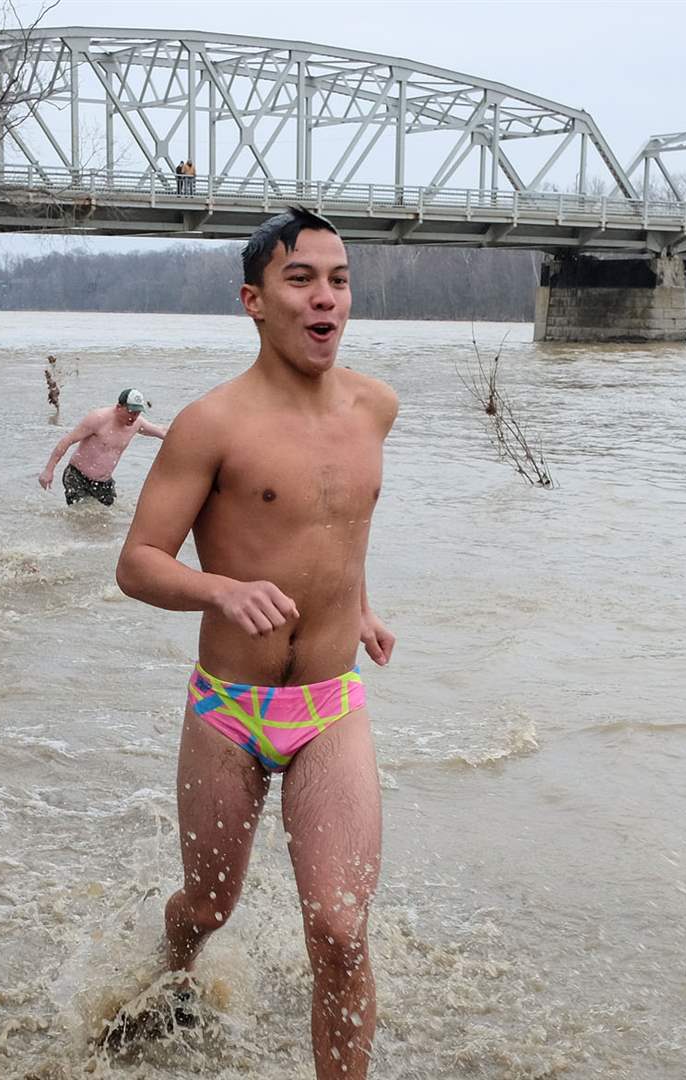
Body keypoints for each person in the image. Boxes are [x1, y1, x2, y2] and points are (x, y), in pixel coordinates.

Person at [115, 207, 397, 1079]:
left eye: (338, 280)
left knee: (340, 929)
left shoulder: (376, 408)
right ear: (255, 300)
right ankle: (170, 975)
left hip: (330, 706)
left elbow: (335, 526)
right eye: (300, 279)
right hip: (229, 709)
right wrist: (221, 588)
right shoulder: (212, 423)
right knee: (208, 906)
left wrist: (357, 606)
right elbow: (137, 563)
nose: (325, 298)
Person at [39, 388, 169, 506]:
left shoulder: (137, 423)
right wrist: (48, 470)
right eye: (131, 412)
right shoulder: (98, 418)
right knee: (81, 517)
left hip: (104, 482)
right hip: (77, 477)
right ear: (118, 407)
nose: (133, 417)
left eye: (137, 413)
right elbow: (67, 441)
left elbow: (163, 432)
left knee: (107, 518)